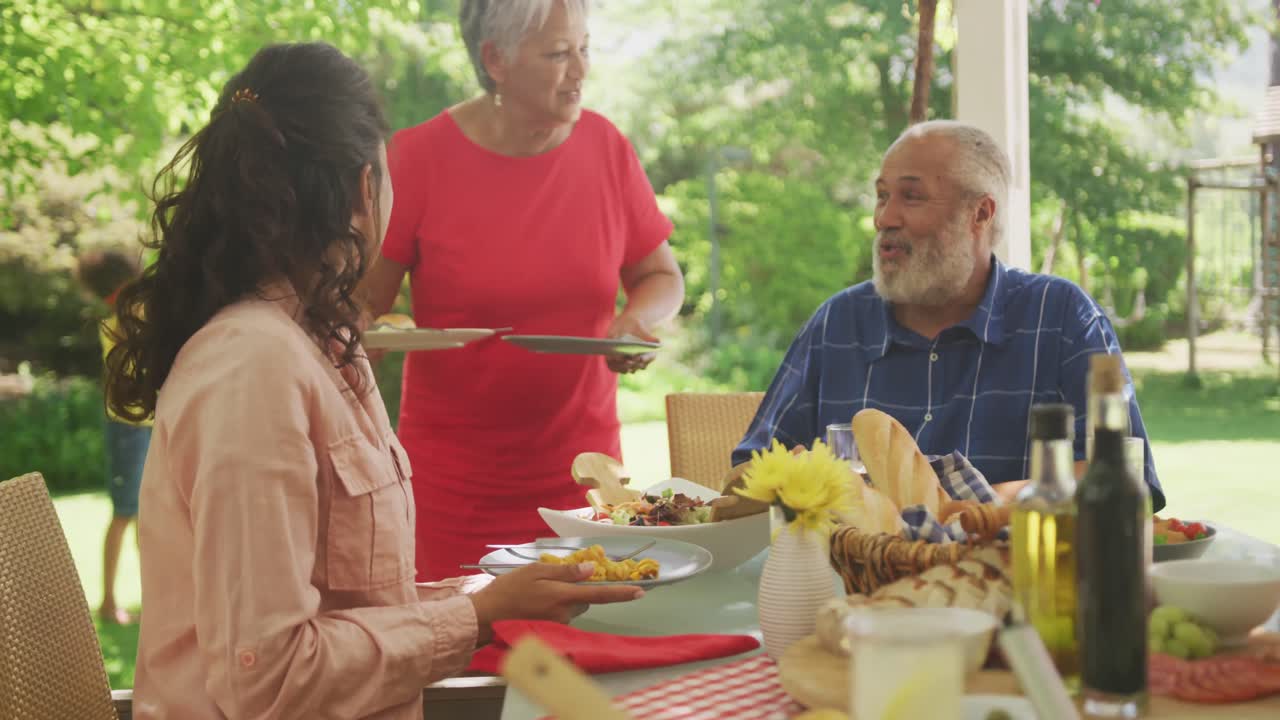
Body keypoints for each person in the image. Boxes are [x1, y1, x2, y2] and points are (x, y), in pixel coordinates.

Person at [105, 42, 642, 720]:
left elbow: (345, 606)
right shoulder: (252, 370)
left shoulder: (321, 346)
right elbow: (269, 679)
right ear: (365, 190)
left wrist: (489, 594)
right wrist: (475, 619)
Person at [359, 0, 684, 581]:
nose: (580, 70)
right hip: (454, 489)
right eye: (559, 53)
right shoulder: (416, 159)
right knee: (460, 654)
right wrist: (365, 335)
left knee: (582, 657)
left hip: (586, 486)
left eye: (584, 48)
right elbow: (361, 303)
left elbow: (661, 277)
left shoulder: (607, 148)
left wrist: (637, 320)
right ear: (496, 60)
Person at [732, 120, 1164, 511]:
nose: (885, 218)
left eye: (911, 196)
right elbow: (746, 476)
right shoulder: (836, 324)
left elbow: (1122, 477)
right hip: (850, 587)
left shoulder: (1062, 317)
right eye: (882, 196)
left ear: (980, 213)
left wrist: (969, 507)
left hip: (1011, 582)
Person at [76, 247, 151, 625]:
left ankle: (153, 597)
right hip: (130, 428)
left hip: (145, 426)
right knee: (126, 512)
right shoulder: (125, 319)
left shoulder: (123, 317)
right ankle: (107, 602)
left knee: (144, 517)